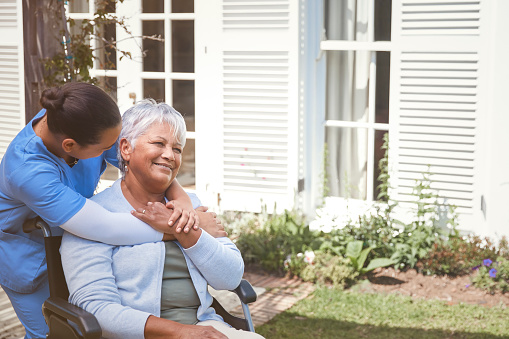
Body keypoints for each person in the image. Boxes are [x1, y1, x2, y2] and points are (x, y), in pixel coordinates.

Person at [0, 83, 199, 339]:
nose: (114, 151)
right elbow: (106, 227)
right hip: (27, 258)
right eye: (106, 149)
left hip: (76, 242)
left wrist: (180, 197)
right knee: (51, 333)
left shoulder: (74, 118)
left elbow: (137, 163)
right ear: (70, 146)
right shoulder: (27, 171)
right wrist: (183, 230)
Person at [60, 100, 265, 339]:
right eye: (159, 143)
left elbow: (230, 277)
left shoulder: (191, 207)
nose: (170, 155)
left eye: (177, 149)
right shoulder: (94, 218)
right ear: (126, 148)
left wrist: (185, 230)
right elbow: (98, 310)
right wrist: (180, 332)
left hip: (204, 327)